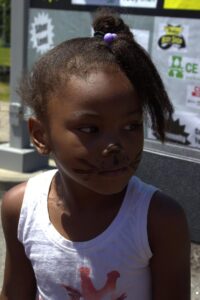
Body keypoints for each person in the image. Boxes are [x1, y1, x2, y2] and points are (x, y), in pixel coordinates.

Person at [0, 8, 190, 300]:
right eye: (90, 129)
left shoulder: (159, 220)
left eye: (131, 126)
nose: (115, 146)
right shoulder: (19, 208)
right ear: (41, 135)